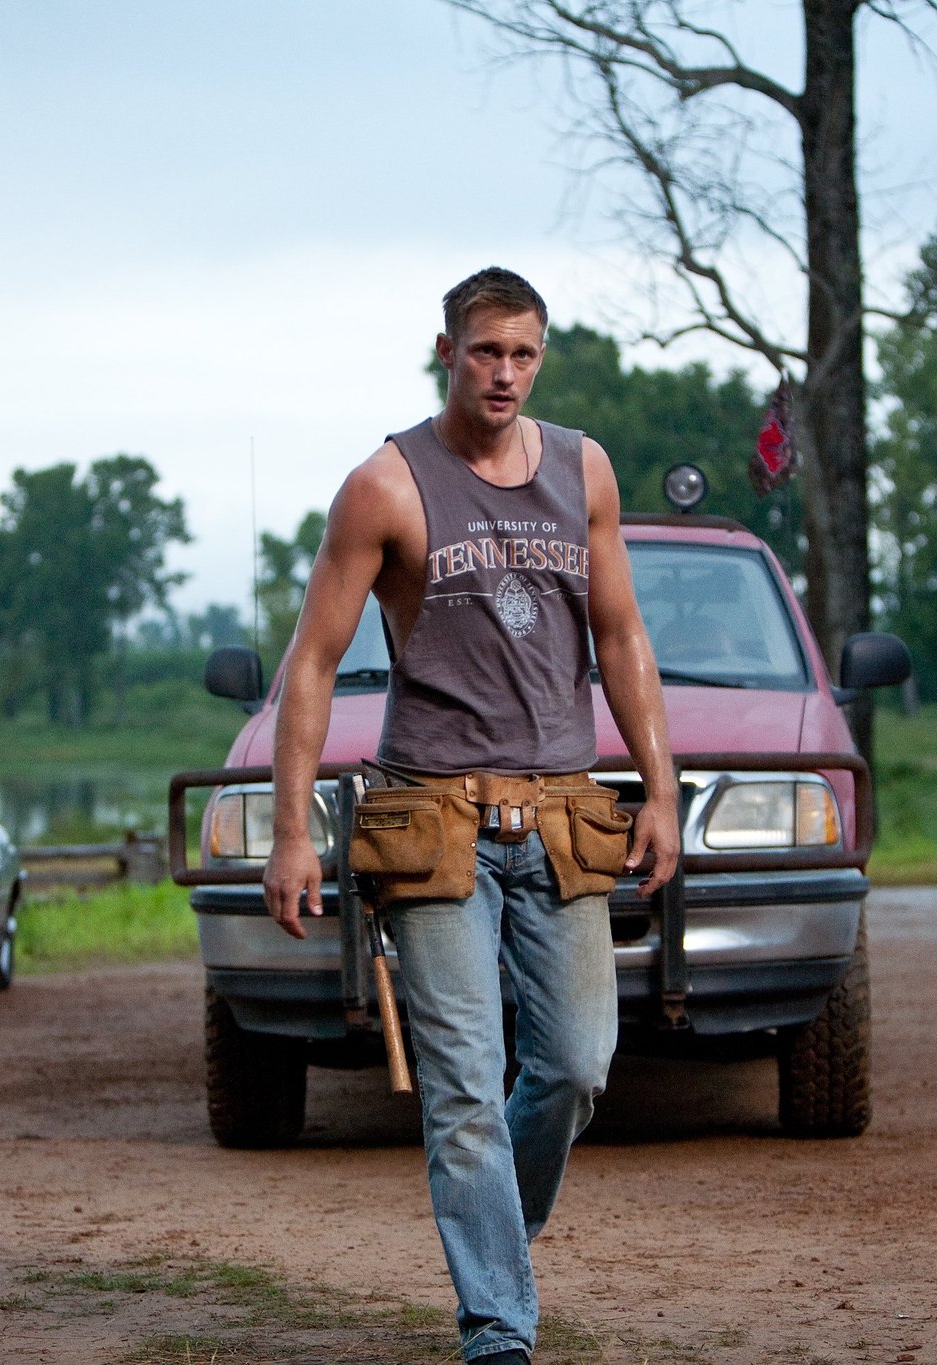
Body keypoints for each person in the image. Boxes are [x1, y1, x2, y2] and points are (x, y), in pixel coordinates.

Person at [261, 266, 680, 1363]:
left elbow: (623, 639)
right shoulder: (385, 486)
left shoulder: (583, 469)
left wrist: (662, 789)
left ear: (541, 356)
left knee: (579, 1064)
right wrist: (294, 832)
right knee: (458, 1093)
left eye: (524, 353)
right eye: (484, 351)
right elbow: (310, 663)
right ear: (445, 351)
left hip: (559, 820)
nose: (504, 372)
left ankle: (498, 1242)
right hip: (430, 824)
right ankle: (498, 1327)